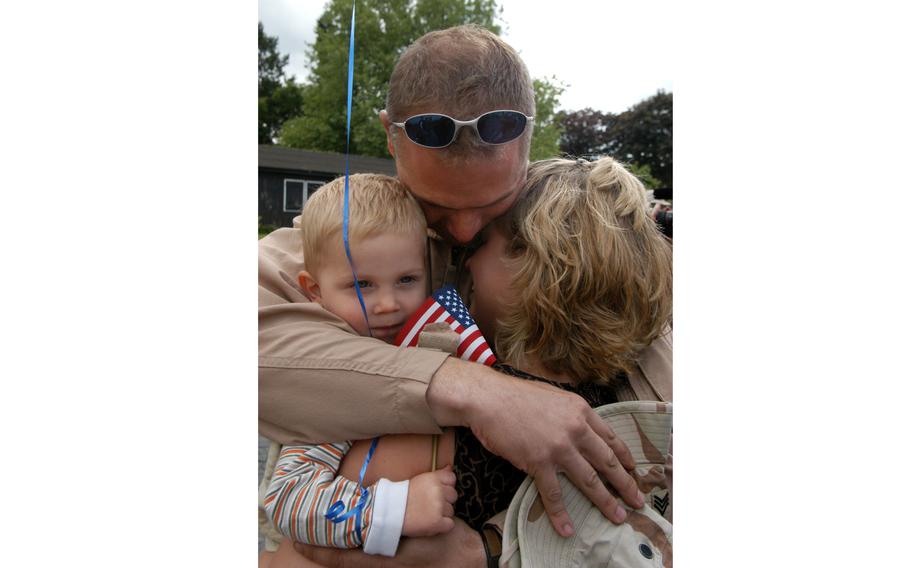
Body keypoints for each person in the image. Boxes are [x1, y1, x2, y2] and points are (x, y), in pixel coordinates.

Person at [259, 24, 670, 558]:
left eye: (495, 204)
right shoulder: (348, 237)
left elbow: (651, 436)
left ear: (527, 139)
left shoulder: (555, 225)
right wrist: (477, 391)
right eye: (436, 207)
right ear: (391, 137)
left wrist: (491, 543)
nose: (462, 233)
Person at [263, 174, 459, 556]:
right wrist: (397, 508)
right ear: (314, 290)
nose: (388, 303)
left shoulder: (426, 335)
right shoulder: (328, 377)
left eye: (406, 279)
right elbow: (289, 499)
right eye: (361, 285)